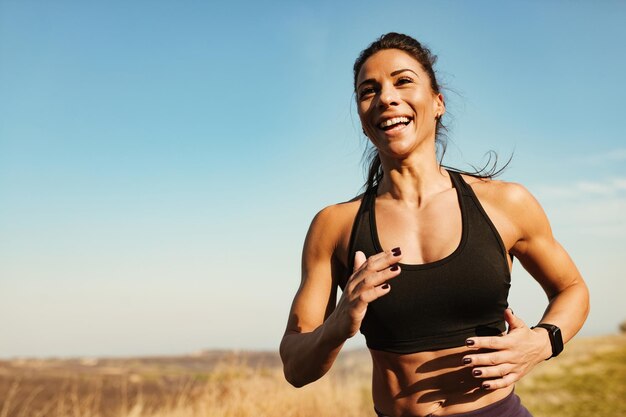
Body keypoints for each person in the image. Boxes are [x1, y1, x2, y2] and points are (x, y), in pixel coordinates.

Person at [279, 32, 589, 417]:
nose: (387, 98)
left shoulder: (505, 203)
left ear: (438, 103)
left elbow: (571, 288)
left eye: (403, 80)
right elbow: (296, 368)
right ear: (363, 120)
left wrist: (543, 342)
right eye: (368, 90)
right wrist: (340, 323)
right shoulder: (334, 225)